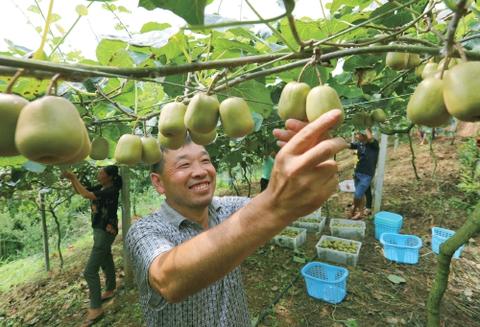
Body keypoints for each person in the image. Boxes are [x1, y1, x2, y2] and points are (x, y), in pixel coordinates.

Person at [125, 109, 347, 326]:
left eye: (205, 161)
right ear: (158, 182)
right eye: (184, 164)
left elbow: (289, 206)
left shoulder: (228, 208)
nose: (200, 171)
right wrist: (274, 204)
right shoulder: (145, 231)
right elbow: (168, 280)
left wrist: (311, 164)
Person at [62, 165, 122, 326]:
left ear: (109, 177)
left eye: (101, 172)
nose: (98, 173)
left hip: (105, 231)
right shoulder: (103, 186)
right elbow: (81, 192)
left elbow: (86, 194)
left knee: (89, 272)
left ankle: (96, 309)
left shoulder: (110, 190)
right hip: (101, 229)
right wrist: (71, 179)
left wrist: (74, 177)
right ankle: (110, 288)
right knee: (106, 257)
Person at [349, 128, 379, 219]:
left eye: (358, 134)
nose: (356, 136)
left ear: (364, 135)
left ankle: (353, 209)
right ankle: (360, 213)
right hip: (358, 172)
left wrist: (366, 126)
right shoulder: (359, 144)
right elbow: (349, 145)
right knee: (361, 194)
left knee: (357, 194)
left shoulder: (373, 145)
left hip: (367, 174)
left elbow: (370, 138)